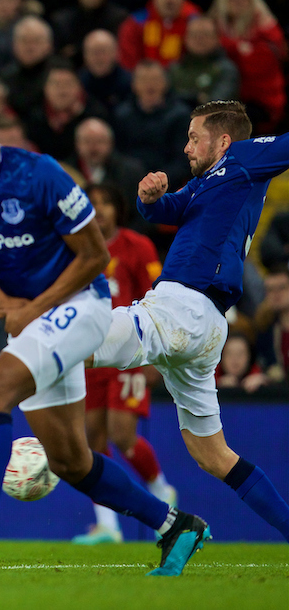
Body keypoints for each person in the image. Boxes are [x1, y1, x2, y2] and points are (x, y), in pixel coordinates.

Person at [0, 87, 209, 577]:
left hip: (83, 307)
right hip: (35, 321)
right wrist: (1, 300)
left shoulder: (39, 176)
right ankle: (175, 526)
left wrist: (32, 306)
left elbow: (96, 256)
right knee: (71, 461)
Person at [89, 100, 289, 543]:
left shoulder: (244, 156)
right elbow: (167, 213)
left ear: (222, 140)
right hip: (204, 323)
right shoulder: (204, 186)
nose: (185, 148)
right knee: (212, 454)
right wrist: (149, 198)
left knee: (70, 342)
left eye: (193, 137)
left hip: (186, 307)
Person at [73, 183, 177, 545]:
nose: (99, 210)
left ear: (119, 208)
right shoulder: (76, 249)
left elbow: (159, 294)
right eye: (92, 203)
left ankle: (161, 491)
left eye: (105, 202)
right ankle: (107, 526)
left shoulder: (138, 246)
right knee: (93, 439)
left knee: (122, 434)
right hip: (89, 355)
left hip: (131, 352)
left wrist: (155, 354)